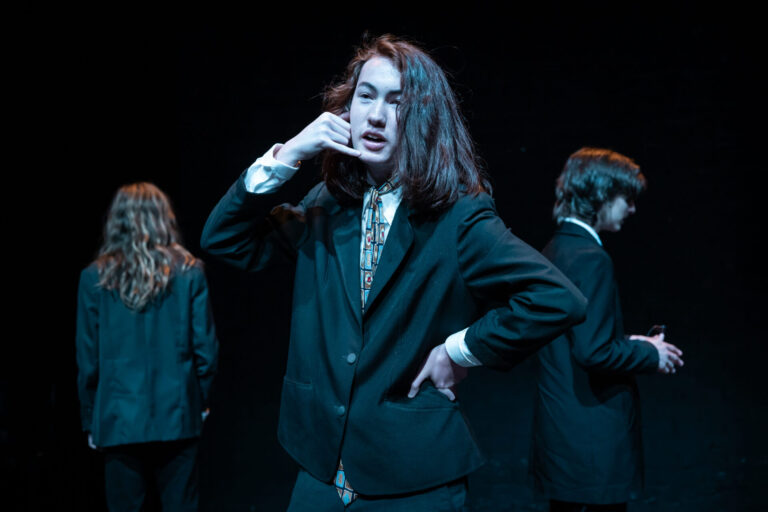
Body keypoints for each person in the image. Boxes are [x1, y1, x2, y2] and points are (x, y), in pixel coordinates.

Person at [201, 34, 586, 511]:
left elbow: (557, 298)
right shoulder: (326, 203)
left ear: (422, 118)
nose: (377, 115)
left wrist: (460, 350)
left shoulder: (460, 217)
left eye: (397, 102)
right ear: (347, 108)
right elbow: (224, 240)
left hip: (412, 478)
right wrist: (288, 155)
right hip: (321, 471)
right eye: (366, 95)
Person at [530, 148, 685, 512]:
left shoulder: (555, 249)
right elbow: (592, 352)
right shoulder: (591, 259)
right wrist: (650, 354)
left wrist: (630, 340)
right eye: (626, 198)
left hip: (563, 433)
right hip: (592, 439)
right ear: (600, 196)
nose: (632, 209)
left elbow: (576, 337)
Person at [76, 182, 218, 512]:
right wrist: (201, 400)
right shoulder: (189, 272)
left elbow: (88, 360)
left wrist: (90, 418)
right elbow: (206, 350)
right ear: (162, 218)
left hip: (118, 420)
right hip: (178, 415)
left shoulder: (95, 279)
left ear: (117, 220)